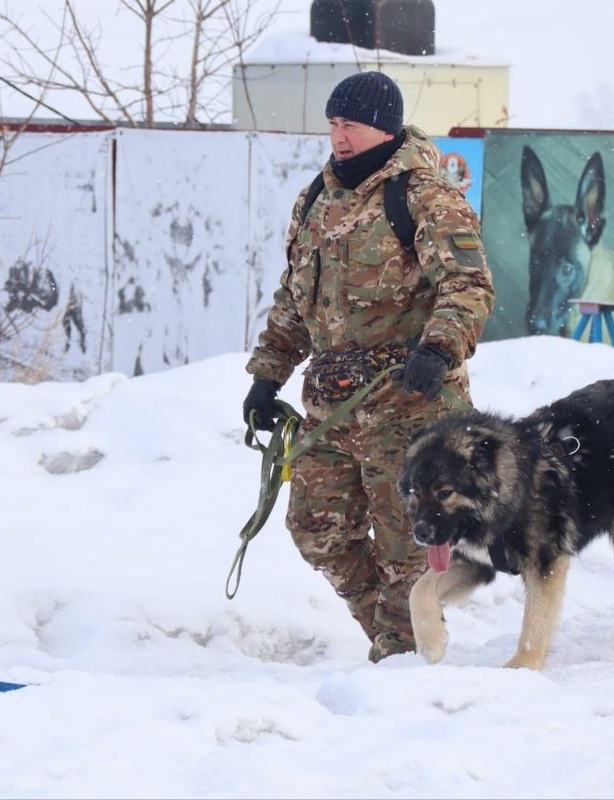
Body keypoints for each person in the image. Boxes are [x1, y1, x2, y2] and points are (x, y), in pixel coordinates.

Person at [241, 71, 496, 662]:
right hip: (332, 407)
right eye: (332, 124)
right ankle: (396, 636)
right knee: (317, 531)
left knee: (407, 547)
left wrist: (438, 348)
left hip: (413, 407)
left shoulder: (424, 196)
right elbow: (295, 300)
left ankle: (403, 661)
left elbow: (469, 284)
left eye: (349, 124)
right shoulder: (316, 201)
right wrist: (266, 376)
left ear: (383, 127)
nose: (339, 136)